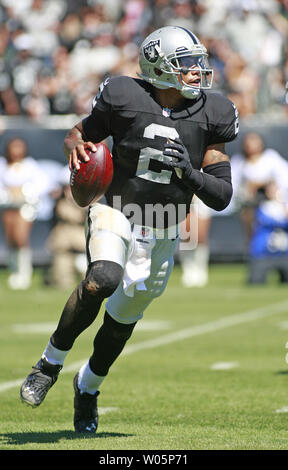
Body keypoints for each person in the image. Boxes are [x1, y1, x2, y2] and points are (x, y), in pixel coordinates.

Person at [20, 26, 239, 433]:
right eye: (185, 63)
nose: (197, 70)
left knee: (120, 322)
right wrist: (76, 148)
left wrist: (189, 173)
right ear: (158, 68)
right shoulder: (123, 94)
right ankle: (48, 363)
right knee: (101, 279)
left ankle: (87, 388)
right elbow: (79, 134)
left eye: (197, 61)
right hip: (116, 207)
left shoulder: (215, 111)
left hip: (164, 226)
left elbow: (222, 195)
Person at [0, 137, 49, 289]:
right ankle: (14, 271)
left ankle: (24, 273)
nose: (16, 151)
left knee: (21, 238)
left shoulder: (30, 165)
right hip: (8, 206)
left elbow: (41, 184)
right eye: (13, 147)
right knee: (11, 239)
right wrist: (8, 193)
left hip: (25, 207)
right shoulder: (2, 165)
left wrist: (23, 191)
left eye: (19, 147)